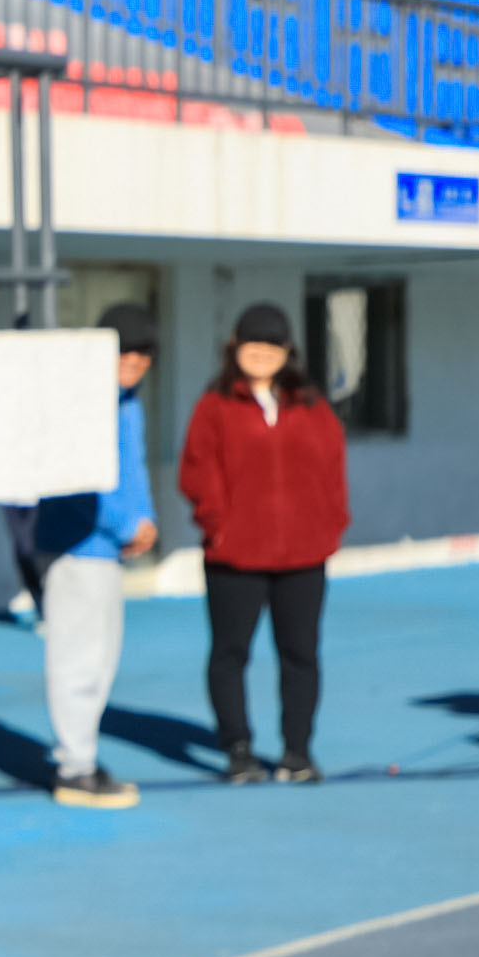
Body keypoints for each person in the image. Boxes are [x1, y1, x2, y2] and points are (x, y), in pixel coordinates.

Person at [178, 300, 347, 785]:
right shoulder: (215, 406)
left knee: (301, 655)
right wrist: (218, 524)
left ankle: (297, 753)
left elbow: (333, 468)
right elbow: (196, 471)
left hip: (303, 556)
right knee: (230, 654)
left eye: (273, 343)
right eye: (253, 341)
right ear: (235, 346)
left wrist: (331, 524)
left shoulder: (311, 406)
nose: (262, 351)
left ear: (288, 350)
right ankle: (238, 750)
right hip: (235, 556)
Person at [31, 304, 160, 808]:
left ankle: (79, 759)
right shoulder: (79, 402)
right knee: (79, 659)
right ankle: (74, 770)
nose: (135, 358)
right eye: (125, 348)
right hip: (74, 546)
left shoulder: (128, 403)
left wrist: (144, 519)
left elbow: (134, 470)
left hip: (104, 549)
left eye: (144, 351)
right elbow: (77, 481)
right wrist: (129, 525)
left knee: (101, 659)